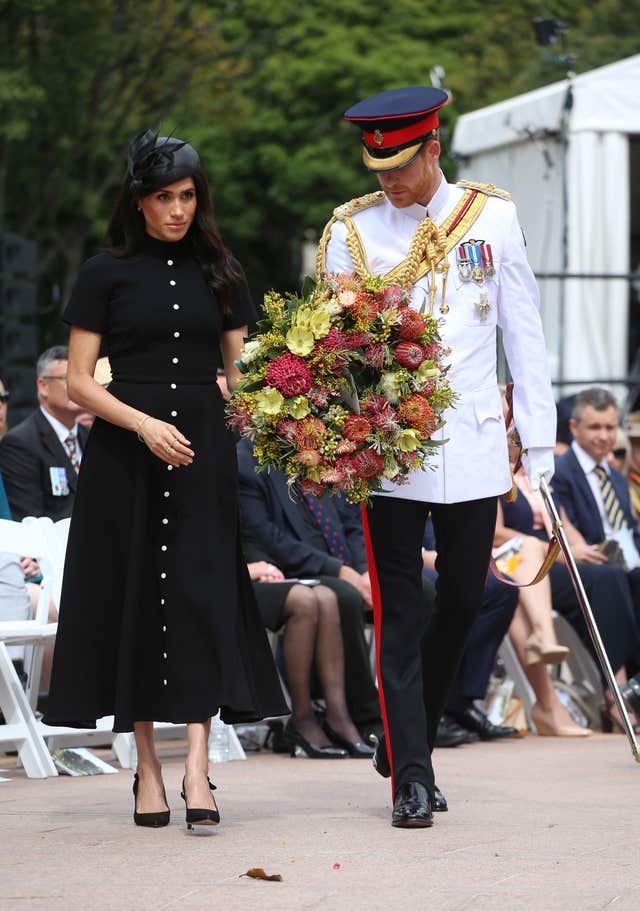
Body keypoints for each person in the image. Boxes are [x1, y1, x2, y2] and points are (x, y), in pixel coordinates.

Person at [317, 86, 556, 827]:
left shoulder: (494, 216)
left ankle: (405, 723)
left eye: (401, 165)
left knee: (461, 599)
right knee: (400, 607)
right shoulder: (351, 232)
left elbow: (524, 334)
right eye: (376, 166)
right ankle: (412, 777)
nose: (387, 180)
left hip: (478, 446)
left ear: (432, 149)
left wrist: (539, 448)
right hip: (390, 453)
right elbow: (333, 353)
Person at [42, 130, 287, 829]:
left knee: (201, 597)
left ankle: (198, 767)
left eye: (186, 196)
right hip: (126, 462)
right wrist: (143, 424)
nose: (176, 210)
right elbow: (82, 383)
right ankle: (147, 767)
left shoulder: (223, 270)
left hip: (204, 456)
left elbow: (243, 379)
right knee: (137, 604)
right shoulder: (103, 273)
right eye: (162, 197)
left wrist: (291, 417)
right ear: (139, 201)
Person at [237, 437, 383, 740]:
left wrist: (363, 570)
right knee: (343, 596)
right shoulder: (247, 459)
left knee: (420, 589)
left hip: (346, 565)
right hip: (296, 568)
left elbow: (353, 520)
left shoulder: (321, 445)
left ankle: (436, 708)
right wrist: (341, 572)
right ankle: (366, 717)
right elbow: (268, 538)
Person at [243, 530, 373, 758]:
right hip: (238, 576)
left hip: (270, 568)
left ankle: (337, 715)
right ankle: (302, 718)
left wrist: (269, 567)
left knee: (325, 597)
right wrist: (257, 567)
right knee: (304, 601)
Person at [0, 347, 88, 520]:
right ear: (43, 386)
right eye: (68, 379)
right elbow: (29, 521)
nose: (77, 387)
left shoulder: (92, 438)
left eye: (84, 380)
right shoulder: (20, 442)